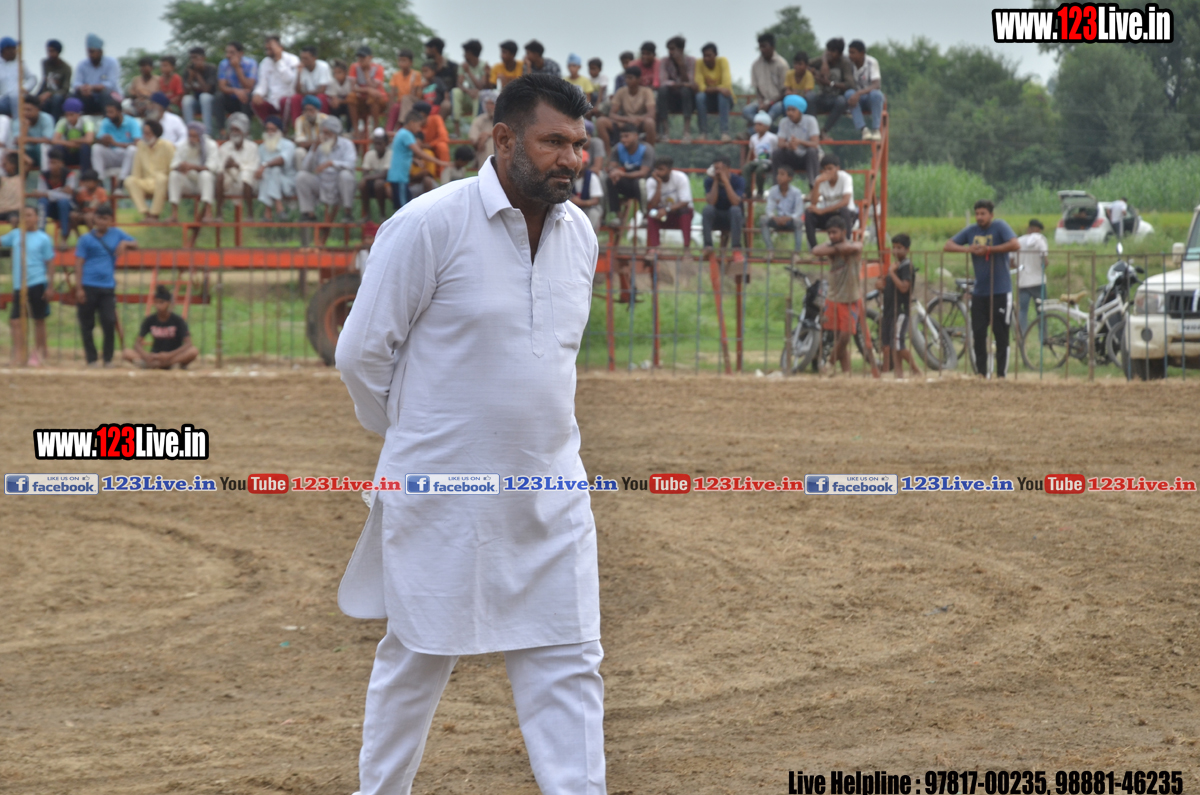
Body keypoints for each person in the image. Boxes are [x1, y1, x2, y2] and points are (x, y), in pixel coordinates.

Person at [334, 72, 604, 795]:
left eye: (578, 145)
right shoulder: (430, 224)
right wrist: (412, 436)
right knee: (418, 654)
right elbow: (361, 354)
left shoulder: (580, 235)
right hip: (440, 493)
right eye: (554, 142)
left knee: (569, 658)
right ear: (504, 139)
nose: (571, 159)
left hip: (551, 491)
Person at [944, 199, 1020, 378]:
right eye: (977, 214)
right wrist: (967, 250)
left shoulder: (1000, 226)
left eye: (983, 214)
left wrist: (990, 250)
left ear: (991, 215)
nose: (979, 217)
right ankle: (981, 374)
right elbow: (948, 245)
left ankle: (1001, 375)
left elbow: (1015, 244)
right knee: (978, 334)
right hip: (979, 292)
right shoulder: (971, 230)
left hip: (1001, 290)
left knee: (1001, 334)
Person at [812, 215, 880, 377]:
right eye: (829, 233)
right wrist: (835, 248)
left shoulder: (854, 245)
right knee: (838, 338)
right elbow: (816, 251)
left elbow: (854, 248)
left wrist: (834, 248)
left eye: (834, 232)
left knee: (845, 336)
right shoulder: (832, 246)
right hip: (833, 298)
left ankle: (829, 364)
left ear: (844, 232)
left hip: (851, 299)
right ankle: (846, 374)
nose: (831, 236)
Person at [73, 204, 136, 367]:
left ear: (111, 220)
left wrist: (125, 244)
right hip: (88, 284)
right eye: (99, 218)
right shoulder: (85, 239)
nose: (102, 222)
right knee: (87, 324)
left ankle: (108, 359)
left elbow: (135, 243)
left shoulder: (117, 234)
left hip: (107, 286)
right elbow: (79, 263)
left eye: (105, 219)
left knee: (109, 321)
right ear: (95, 219)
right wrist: (79, 288)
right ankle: (91, 359)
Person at [5, 207, 56, 366]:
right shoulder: (16, 235)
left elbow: (50, 262)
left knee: (38, 320)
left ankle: (39, 353)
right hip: (19, 284)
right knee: (15, 320)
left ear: (36, 218)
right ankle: (18, 353)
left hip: (36, 282)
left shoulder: (43, 238)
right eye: (24, 216)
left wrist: (50, 286)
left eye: (29, 215)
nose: (26, 219)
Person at [875, 232, 921, 378]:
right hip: (890, 309)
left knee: (898, 343)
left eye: (899, 248)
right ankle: (898, 374)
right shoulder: (896, 266)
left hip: (900, 310)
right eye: (894, 247)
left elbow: (903, 287)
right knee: (892, 344)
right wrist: (881, 287)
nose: (895, 251)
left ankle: (916, 370)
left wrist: (891, 273)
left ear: (907, 249)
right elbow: (891, 288)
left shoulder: (906, 266)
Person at [297, 116, 357, 225]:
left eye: (327, 132)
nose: (324, 135)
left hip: (338, 183)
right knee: (301, 176)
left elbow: (351, 164)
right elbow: (306, 167)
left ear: (335, 133)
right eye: (322, 132)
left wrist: (331, 163)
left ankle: (348, 213)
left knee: (346, 175)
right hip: (322, 183)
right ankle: (309, 214)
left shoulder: (347, 144)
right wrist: (314, 148)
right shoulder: (319, 145)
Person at [123, 285, 199, 369]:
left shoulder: (178, 320)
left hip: (173, 356)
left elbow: (188, 344)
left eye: (162, 302)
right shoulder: (150, 320)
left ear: (169, 303)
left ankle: (159, 365)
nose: (158, 305)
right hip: (155, 355)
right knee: (126, 352)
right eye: (156, 302)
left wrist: (169, 355)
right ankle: (163, 364)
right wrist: (147, 356)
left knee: (193, 351)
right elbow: (137, 344)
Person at [124, 118, 175, 221]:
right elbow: (136, 170)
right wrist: (136, 181)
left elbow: (173, 168)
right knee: (129, 180)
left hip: (163, 183)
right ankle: (146, 213)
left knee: (161, 178)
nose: (145, 136)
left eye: (148, 133)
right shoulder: (141, 145)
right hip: (146, 182)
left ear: (155, 134)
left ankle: (154, 214)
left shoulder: (167, 146)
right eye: (144, 133)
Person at [166, 121, 215, 224]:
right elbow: (173, 165)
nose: (191, 139)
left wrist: (193, 167)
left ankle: (208, 213)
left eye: (194, 136)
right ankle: (174, 214)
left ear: (200, 136)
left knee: (206, 175)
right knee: (174, 175)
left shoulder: (210, 145)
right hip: (188, 182)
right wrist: (180, 166)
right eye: (190, 136)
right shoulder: (183, 145)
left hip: (204, 183)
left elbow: (212, 167)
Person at [595, 65, 655, 148]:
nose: (627, 80)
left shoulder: (647, 92)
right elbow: (612, 114)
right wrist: (627, 120)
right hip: (624, 123)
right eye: (626, 78)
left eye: (630, 78)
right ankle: (608, 154)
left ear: (639, 79)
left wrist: (638, 119)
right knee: (600, 121)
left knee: (650, 123)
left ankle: (650, 151)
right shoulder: (621, 91)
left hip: (640, 123)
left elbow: (651, 114)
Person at [211, 112, 259, 215]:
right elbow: (218, 166)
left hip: (246, 182)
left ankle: (250, 214)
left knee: (246, 175)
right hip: (229, 182)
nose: (234, 133)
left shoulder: (252, 147)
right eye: (232, 130)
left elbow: (253, 167)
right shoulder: (224, 147)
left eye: (237, 130)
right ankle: (218, 213)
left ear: (244, 132)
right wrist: (225, 166)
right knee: (220, 175)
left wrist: (237, 166)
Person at [605, 124, 654, 221]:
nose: (623, 139)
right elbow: (612, 166)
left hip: (644, 184)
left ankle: (645, 215)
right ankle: (617, 215)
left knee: (640, 182)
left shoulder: (646, 149)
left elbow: (643, 173)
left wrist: (623, 174)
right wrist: (613, 172)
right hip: (627, 183)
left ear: (635, 136)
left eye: (626, 136)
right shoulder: (618, 148)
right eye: (621, 137)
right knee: (610, 180)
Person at [806, 154, 856, 249]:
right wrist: (817, 183)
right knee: (809, 212)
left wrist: (822, 211)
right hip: (829, 216)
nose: (827, 172)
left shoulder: (846, 178)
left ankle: (846, 245)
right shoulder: (820, 180)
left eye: (830, 168)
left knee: (844, 210)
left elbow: (845, 201)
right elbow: (813, 203)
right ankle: (814, 249)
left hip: (845, 215)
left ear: (837, 168)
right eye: (824, 169)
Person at [807, 38, 854, 139]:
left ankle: (824, 131)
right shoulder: (822, 59)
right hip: (822, 96)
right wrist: (817, 70)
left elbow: (849, 84)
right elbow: (805, 64)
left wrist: (830, 83)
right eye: (828, 50)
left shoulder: (844, 63)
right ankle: (814, 131)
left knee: (842, 101)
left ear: (839, 53)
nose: (829, 53)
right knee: (809, 97)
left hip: (835, 98)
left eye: (833, 51)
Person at [701, 155, 745, 262]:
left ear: (728, 169)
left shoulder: (738, 180)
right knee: (707, 209)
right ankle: (708, 246)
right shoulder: (709, 181)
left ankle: (736, 249)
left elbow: (735, 202)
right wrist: (716, 182)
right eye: (715, 169)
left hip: (733, 218)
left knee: (735, 210)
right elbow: (711, 202)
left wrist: (726, 182)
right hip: (716, 217)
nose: (717, 172)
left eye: (720, 169)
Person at [772, 94, 821, 189]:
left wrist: (799, 142)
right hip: (791, 155)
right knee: (777, 153)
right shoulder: (784, 121)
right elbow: (780, 143)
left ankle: (814, 186)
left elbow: (815, 144)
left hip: (806, 157)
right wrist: (788, 145)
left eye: (793, 110)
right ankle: (776, 186)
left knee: (812, 151)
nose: (790, 113)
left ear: (800, 111)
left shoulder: (811, 120)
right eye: (788, 110)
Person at [646, 155, 693, 249]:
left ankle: (686, 249)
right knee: (652, 213)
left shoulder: (680, 178)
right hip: (662, 216)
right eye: (656, 169)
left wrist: (666, 209)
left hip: (678, 214)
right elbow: (654, 204)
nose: (658, 172)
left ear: (669, 170)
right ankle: (655, 248)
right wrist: (659, 184)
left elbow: (685, 202)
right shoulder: (651, 181)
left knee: (685, 211)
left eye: (661, 169)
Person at [252, 35, 300, 124]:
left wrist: (279, 61)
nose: (268, 52)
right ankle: (269, 127)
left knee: (285, 101)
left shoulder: (293, 59)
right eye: (267, 49)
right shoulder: (265, 62)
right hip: (272, 100)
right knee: (255, 102)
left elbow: (290, 80)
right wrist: (257, 94)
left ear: (280, 47)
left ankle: (283, 129)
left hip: (288, 98)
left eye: (271, 49)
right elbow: (262, 84)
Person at [255, 115, 296, 220]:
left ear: (279, 131)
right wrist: (259, 171)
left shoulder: (288, 145)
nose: (270, 132)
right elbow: (258, 168)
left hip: (287, 182)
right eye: (267, 129)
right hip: (269, 182)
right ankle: (279, 209)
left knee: (274, 169)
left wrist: (265, 165)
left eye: (273, 130)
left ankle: (268, 211)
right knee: (268, 172)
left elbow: (282, 160)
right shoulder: (262, 148)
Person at [71, 34, 121, 116]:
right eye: (88, 52)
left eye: (92, 52)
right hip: (90, 98)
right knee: (74, 96)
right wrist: (83, 88)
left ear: (100, 51)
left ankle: (107, 120)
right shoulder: (82, 64)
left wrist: (92, 88)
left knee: (104, 93)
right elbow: (76, 83)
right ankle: (80, 120)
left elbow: (111, 84)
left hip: (109, 98)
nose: (90, 55)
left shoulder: (111, 63)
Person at [744, 33, 788, 124]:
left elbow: (785, 92)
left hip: (777, 101)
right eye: (760, 47)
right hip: (762, 101)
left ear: (772, 47)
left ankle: (759, 128)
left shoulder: (782, 64)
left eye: (764, 46)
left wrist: (770, 104)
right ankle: (767, 128)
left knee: (777, 108)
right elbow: (757, 89)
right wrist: (761, 103)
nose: (762, 50)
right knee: (746, 111)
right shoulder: (755, 65)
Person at [92, 100, 142, 182]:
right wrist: (103, 140)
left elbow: (138, 143)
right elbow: (99, 139)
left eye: (111, 112)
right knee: (96, 148)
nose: (109, 115)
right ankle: (99, 179)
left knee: (132, 150)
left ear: (119, 112)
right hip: (111, 154)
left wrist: (115, 143)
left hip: (125, 156)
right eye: (107, 112)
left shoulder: (131, 122)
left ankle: (122, 180)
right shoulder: (106, 121)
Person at [657, 36, 696, 141]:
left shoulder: (691, 61)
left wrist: (681, 65)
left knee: (686, 91)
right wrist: (679, 84)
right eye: (669, 49)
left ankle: (686, 132)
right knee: (662, 91)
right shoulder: (665, 61)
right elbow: (663, 81)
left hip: (686, 100)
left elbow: (689, 81)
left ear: (681, 49)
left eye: (673, 49)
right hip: (671, 99)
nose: (670, 52)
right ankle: (665, 131)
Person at [38, 147, 79, 244]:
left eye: (55, 163)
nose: (52, 166)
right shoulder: (44, 175)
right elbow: (41, 194)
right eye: (50, 163)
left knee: (63, 202)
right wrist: (61, 191)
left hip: (68, 207)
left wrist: (48, 193)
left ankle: (64, 237)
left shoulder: (69, 174)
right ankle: (40, 234)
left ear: (61, 164)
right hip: (51, 207)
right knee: (42, 201)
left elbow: (68, 195)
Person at [1015, 218, 1049, 333]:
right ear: (1037, 229)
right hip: (1038, 282)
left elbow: (1011, 262)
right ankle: (1043, 337)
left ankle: (1022, 336)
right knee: (1042, 311)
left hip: (1023, 282)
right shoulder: (1040, 240)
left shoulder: (1018, 241)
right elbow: (1045, 262)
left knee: (1022, 310)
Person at [846, 40, 884, 141]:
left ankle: (876, 130)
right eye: (849, 52)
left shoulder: (872, 62)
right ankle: (864, 130)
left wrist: (859, 93)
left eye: (853, 53)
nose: (850, 55)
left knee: (877, 94)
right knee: (849, 93)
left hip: (869, 98)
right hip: (855, 100)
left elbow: (876, 84)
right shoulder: (848, 63)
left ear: (862, 53)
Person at [760, 165, 804, 253]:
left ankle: (797, 253)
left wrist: (788, 218)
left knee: (799, 222)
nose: (778, 177)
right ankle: (770, 250)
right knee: (763, 219)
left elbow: (799, 211)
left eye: (782, 174)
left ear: (790, 178)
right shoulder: (773, 190)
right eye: (778, 174)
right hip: (777, 220)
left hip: (790, 221)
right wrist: (775, 218)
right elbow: (769, 209)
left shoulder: (796, 192)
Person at [694, 43, 731, 141]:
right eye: (704, 56)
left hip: (725, 101)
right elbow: (700, 87)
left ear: (716, 54)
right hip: (709, 101)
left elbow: (726, 86)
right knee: (699, 96)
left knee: (722, 95)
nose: (706, 59)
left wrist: (711, 89)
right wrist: (718, 89)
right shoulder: (699, 63)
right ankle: (703, 133)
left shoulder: (723, 61)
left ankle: (725, 133)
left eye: (709, 55)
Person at [287, 46, 332, 128]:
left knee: (321, 97)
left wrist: (306, 94)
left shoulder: (323, 66)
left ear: (314, 58)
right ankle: (298, 128)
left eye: (306, 58)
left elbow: (322, 90)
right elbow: (298, 91)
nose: (303, 61)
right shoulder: (301, 68)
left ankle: (324, 127)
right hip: (308, 96)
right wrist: (299, 73)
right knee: (295, 98)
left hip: (320, 96)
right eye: (302, 58)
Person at [453, 39, 489, 137]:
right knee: (455, 91)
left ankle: (474, 129)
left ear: (471, 54)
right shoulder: (463, 65)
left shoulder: (483, 66)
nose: (464, 55)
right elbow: (459, 84)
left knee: (478, 94)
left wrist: (468, 72)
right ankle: (456, 130)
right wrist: (468, 91)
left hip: (479, 99)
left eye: (466, 53)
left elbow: (481, 86)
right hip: (467, 97)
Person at [347, 47, 387, 136]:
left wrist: (366, 75)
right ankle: (356, 130)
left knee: (373, 97)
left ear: (370, 58)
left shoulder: (378, 68)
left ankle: (375, 130)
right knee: (351, 97)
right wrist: (368, 90)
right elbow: (352, 88)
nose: (361, 60)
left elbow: (375, 88)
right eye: (359, 57)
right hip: (362, 99)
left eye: (363, 57)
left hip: (377, 101)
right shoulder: (354, 67)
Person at [217, 41, 257, 121]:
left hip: (247, 99)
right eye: (227, 52)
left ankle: (245, 126)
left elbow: (249, 86)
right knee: (218, 97)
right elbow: (222, 87)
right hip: (232, 98)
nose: (228, 55)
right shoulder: (223, 64)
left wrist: (237, 68)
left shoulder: (251, 64)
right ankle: (221, 128)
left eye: (232, 53)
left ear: (241, 53)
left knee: (246, 96)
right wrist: (236, 91)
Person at [51, 97, 94, 171]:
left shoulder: (86, 122)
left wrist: (74, 140)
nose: (69, 118)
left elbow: (89, 140)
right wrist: (70, 144)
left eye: (72, 115)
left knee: (85, 147)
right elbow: (54, 140)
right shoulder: (62, 122)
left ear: (79, 114)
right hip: (69, 152)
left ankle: (85, 174)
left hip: (82, 154)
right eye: (67, 115)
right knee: (58, 148)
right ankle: (61, 173)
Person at [181, 47, 218, 135]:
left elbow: (206, 90)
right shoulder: (189, 70)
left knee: (204, 97)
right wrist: (190, 77)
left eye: (195, 58)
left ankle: (207, 133)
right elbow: (185, 92)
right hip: (197, 102)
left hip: (211, 102)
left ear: (203, 58)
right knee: (186, 100)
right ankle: (189, 132)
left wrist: (197, 74)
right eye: (191, 58)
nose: (193, 60)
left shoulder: (211, 69)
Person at [741, 111, 777, 199]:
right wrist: (747, 162)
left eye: (760, 124)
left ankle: (760, 192)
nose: (756, 127)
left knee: (759, 170)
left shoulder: (772, 137)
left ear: (767, 126)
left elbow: (777, 150)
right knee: (746, 168)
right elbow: (751, 151)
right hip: (757, 160)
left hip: (768, 161)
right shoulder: (753, 138)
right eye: (755, 124)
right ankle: (747, 192)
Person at [359, 127, 392, 218]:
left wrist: (367, 177)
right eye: (375, 144)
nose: (377, 146)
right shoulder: (369, 154)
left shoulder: (390, 154)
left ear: (386, 144)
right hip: (374, 183)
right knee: (363, 184)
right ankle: (367, 215)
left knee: (379, 183)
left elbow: (385, 174)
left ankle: (382, 214)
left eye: (380, 144)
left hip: (388, 184)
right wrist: (366, 178)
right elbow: (365, 173)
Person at [386, 49, 421, 132]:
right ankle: (388, 131)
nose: (401, 63)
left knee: (405, 98)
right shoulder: (396, 75)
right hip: (400, 102)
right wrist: (390, 107)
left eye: (404, 61)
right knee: (395, 107)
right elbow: (392, 92)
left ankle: (402, 124)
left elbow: (414, 94)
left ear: (410, 63)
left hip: (412, 101)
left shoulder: (416, 74)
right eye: (400, 60)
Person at [0, 37, 37, 118]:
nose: (15, 51)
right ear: (5, 50)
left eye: (15, 49)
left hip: (18, 97)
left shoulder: (20, 64)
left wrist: (25, 88)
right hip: (3, 99)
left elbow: (32, 78)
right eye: (12, 49)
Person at [37, 39, 72, 119]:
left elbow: (65, 89)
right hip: (46, 94)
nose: (50, 54)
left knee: (57, 98)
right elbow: (45, 82)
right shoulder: (45, 63)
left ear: (58, 52)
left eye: (53, 51)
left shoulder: (66, 68)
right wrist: (39, 95)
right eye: (48, 51)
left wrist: (50, 93)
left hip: (59, 95)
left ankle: (54, 122)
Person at [20, 95, 56, 169]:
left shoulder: (47, 118)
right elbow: (18, 141)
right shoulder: (20, 120)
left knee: (43, 147)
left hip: (42, 151)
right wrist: (25, 127)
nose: (25, 113)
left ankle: (45, 173)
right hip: (28, 151)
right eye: (23, 110)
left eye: (29, 110)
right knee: (17, 150)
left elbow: (47, 140)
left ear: (38, 109)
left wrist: (27, 139)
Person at [69, 168, 109, 235]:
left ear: (96, 182)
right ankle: (79, 236)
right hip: (84, 213)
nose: (87, 184)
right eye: (85, 182)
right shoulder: (81, 192)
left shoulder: (101, 191)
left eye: (89, 181)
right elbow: (79, 205)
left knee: (88, 217)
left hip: (97, 214)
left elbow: (103, 205)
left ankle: (92, 235)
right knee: (72, 215)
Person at [293, 94, 328, 167]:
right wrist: (317, 142)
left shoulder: (325, 119)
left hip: (322, 150)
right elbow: (301, 144)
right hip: (307, 150)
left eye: (311, 110)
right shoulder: (300, 120)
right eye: (306, 110)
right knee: (299, 152)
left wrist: (312, 143)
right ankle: (301, 173)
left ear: (317, 110)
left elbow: (327, 141)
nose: (308, 113)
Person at [571, 155, 604, 231]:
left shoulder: (592, 177)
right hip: (571, 208)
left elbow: (595, 200)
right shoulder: (568, 177)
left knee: (594, 212)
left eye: (581, 162)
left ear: (586, 164)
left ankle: (589, 234)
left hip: (587, 208)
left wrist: (580, 202)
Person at [469, 90, 497, 166]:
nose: (489, 107)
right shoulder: (479, 120)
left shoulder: (504, 119)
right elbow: (473, 138)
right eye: (487, 104)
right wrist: (479, 140)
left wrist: (489, 134)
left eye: (492, 104)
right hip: (483, 157)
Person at [326, 59, 353, 130]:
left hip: (348, 104)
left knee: (350, 108)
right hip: (339, 105)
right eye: (335, 73)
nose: (337, 75)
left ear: (345, 73)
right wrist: (337, 101)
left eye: (339, 72)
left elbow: (351, 99)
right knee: (334, 108)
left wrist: (341, 101)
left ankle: (350, 129)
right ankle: (336, 129)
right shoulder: (332, 83)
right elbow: (334, 99)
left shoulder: (350, 82)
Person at [0, 152, 21, 224]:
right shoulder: (2, 179)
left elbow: (29, 162)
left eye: (5, 164)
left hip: (13, 210)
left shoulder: (20, 177)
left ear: (13, 165)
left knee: (14, 219)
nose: (3, 166)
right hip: (1, 210)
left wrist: (14, 151)